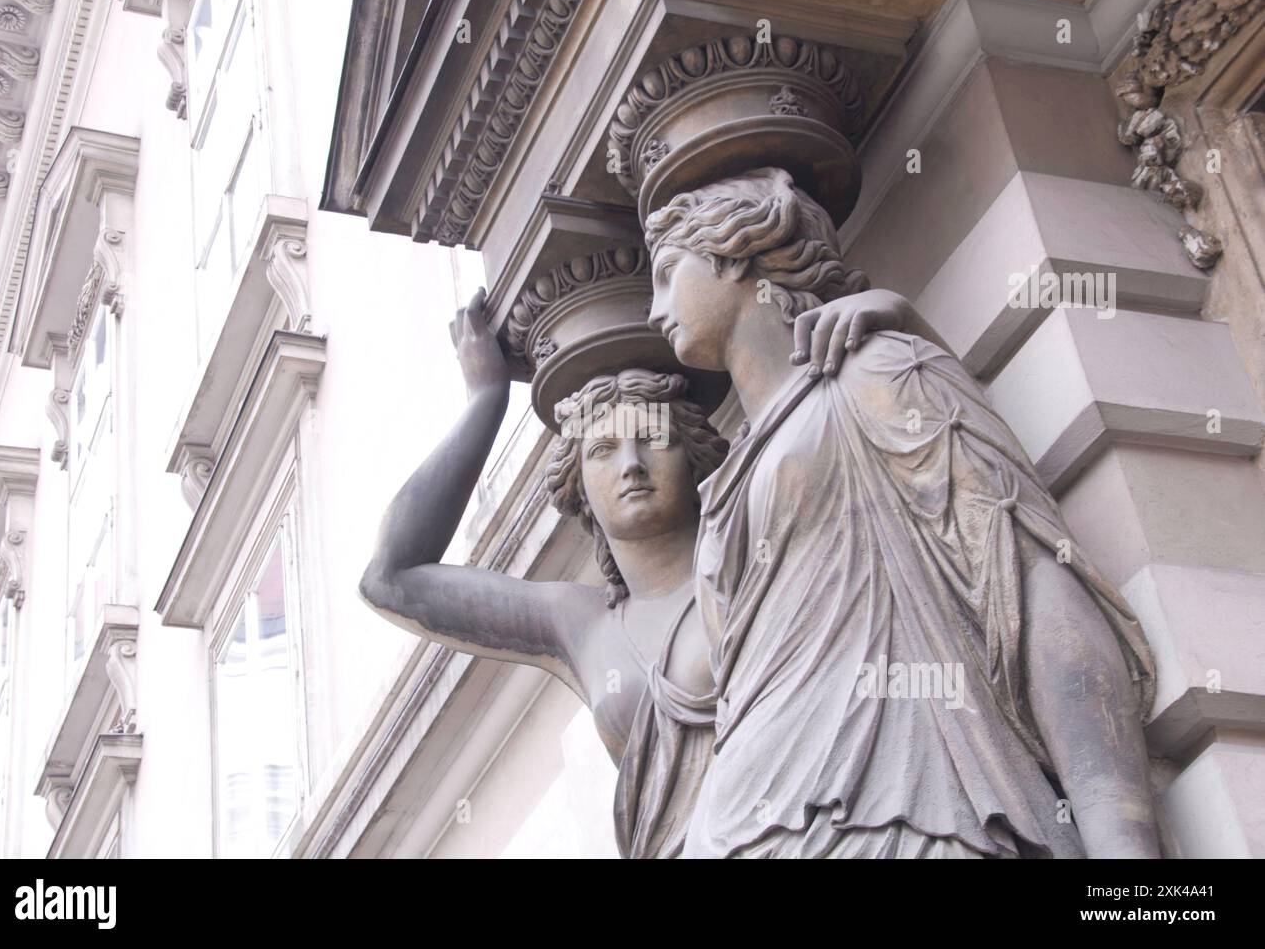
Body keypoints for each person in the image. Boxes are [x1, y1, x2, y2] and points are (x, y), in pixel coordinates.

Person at [645, 167, 1159, 858]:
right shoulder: (721, 495)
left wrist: (1126, 851)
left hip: (908, 811)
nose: (655, 311)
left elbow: (1030, 585)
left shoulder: (880, 372)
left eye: (667, 273)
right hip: (747, 829)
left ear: (733, 251)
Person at [359, 287, 900, 857]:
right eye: (604, 450)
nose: (632, 466)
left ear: (694, 456)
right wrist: (486, 401)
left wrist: (890, 313)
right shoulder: (578, 622)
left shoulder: (754, 542)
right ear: (581, 492)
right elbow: (392, 577)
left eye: (652, 440)